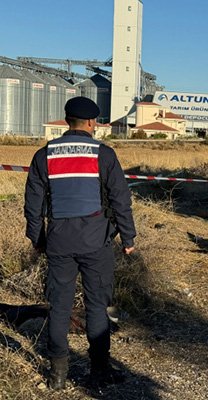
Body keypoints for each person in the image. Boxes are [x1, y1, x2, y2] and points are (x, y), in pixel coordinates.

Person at [24, 97, 136, 390]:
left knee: (59, 307)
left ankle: (57, 374)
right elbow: (120, 199)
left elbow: (33, 204)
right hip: (96, 242)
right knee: (97, 307)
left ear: (66, 120)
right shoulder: (104, 154)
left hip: (59, 242)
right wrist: (128, 237)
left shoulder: (44, 155)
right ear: (90, 123)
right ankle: (98, 372)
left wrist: (37, 239)